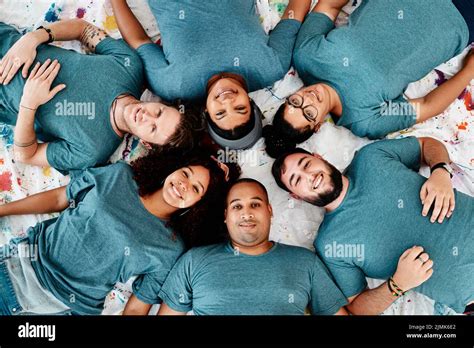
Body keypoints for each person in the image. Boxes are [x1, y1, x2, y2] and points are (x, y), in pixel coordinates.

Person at [0, 149, 239, 315]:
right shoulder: (121, 175)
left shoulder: (171, 248)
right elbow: (60, 197)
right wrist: (3, 210)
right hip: (21, 269)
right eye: (185, 173)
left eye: (196, 189)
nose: (183, 185)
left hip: (68, 309)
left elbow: (136, 308)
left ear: (198, 206)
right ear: (174, 168)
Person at [272, 137, 474, 314]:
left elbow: (426, 145)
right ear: (296, 196)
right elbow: (357, 307)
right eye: (296, 179)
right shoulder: (330, 244)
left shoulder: (371, 157)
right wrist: (397, 285)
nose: (309, 176)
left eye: (306, 164)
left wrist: (440, 170)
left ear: (319, 157)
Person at [264, 0, 474, 150]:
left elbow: (330, 6)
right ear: (318, 125)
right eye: (309, 113)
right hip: (457, 20)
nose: (308, 100)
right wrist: (470, 70)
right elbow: (427, 105)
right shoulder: (364, 120)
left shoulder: (306, 56)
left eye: (295, 102)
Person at [0, 19, 201, 173]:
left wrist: (29, 103)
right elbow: (83, 30)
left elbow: (26, 155)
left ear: (147, 144)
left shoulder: (91, 151)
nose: (145, 115)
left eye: (153, 128)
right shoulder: (129, 66)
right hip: (7, 41)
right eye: (158, 112)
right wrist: (33, 38)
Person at [110, 0, 312, 149]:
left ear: (206, 112)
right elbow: (293, 17)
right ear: (252, 103)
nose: (227, 100)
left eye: (220, 113)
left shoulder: (174, 85)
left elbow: (138, 41)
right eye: (240, 108)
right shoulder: (271, 67)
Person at [156, 178, 348, 315]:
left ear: (269, 210)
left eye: (255, 205)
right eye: (237, 206)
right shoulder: (194, 260)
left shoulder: (305, 262)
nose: (246, 213)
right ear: (225, 216)